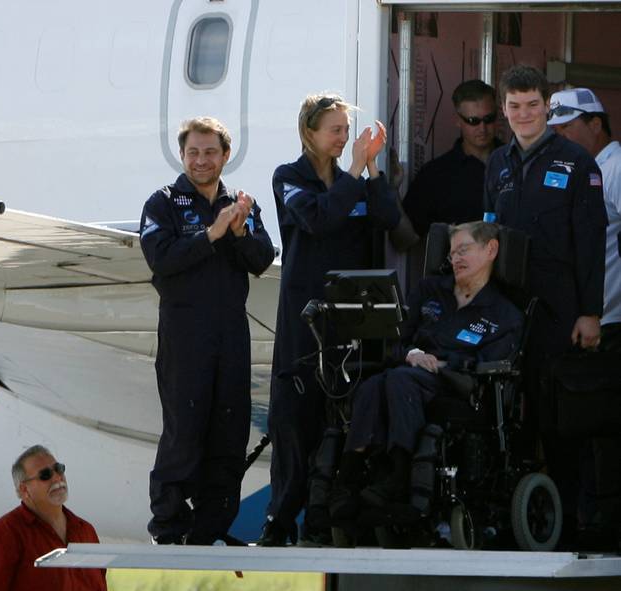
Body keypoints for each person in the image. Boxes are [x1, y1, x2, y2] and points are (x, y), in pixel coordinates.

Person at [259, 93, 400, 547]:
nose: (344, 138)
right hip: (305, 318)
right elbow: (318, 219)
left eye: (346, 130)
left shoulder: (352, 178)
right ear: (310, 133)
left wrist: (372, 169)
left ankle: (324, 521)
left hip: (351, 319)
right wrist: (355, 172)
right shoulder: (289, 177)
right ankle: (280, 520)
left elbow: (389, 218)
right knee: (294, 419)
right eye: (335, 130)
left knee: (340, 419)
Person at [483, 65, 608, 544]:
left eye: (532, 105)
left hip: (560, 309)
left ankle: (572, 524)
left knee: (560, 420)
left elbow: (591, 243)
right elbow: (485, 233)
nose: (524, 114)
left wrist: (590, 312)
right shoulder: (498, 163)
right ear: (504, 109)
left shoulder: (577, 162)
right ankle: (513, 523)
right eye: (514, 106)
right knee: (509, 417)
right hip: (506, 309)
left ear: (547, 107)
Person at [139, 116, 276, 545]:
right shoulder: (162, 203)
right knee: (184, 429)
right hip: (185, 332)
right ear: (182, 155)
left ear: (225, 156)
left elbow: (262, 259)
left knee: (229, 433)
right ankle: (168, 527)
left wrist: (238, 232)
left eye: (210, 152)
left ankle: (211, 529)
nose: (201, 160)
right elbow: (161, 259)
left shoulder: (240, 204)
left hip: (231, 332)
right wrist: (211, 235)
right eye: (193, 152)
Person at [328, 222, 523, 517]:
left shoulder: (506, 314)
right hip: (409, 372)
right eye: (452, 253)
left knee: (398, 382)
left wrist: (442, 364)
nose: (455, 259)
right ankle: (348, 479)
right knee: (371, 385)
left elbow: (491, 363)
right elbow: (395, 340)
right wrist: (413, 354)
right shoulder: (429, 291)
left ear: (491, 250)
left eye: (464, 250)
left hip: (458, 385)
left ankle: (399, 475)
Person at [548, 87, 621, 548]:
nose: (560, 136)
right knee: (585, 428)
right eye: (555, 130)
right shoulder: (580, 169)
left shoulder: (615, 166)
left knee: (604, 429)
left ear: (596, 124)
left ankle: (604, 523)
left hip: (611, 323)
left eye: (568, 127)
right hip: (587, 325)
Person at [0, 445, 107, 591]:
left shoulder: (87, 532)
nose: (57, 477)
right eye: (45, 475)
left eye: (59, 469)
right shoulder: (0, 537)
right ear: (24, 490)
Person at [404, 80, 502, 239]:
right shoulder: (435, 175)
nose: (482, 128)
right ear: (458, 120)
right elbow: (407, 238)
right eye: (473, 121)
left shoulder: (517, 162)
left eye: (489, 119)